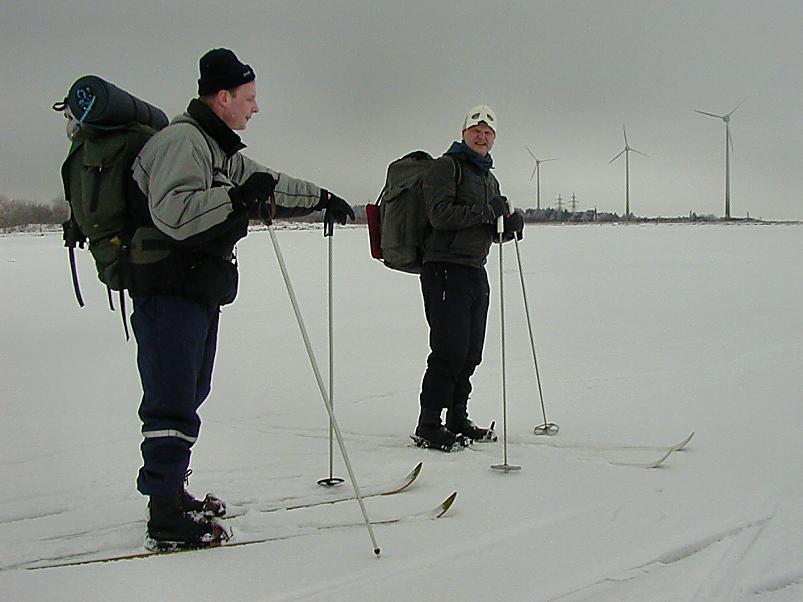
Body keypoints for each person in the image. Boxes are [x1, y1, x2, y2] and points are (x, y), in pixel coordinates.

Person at [130, 48, 355, 549]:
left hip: (196, 291)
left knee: (190, 394)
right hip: (168, 293)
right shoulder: (183, 142)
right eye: (250, 99)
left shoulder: (218, 149)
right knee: (171, 401)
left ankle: (174, 489)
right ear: (224, 96)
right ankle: (163, 514)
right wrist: (237, 196)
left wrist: (320, 198)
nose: (255, 108)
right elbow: (175, 213)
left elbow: (267, 184)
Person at [414, 104, 524, 451]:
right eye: (476, 130)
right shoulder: (446, 168)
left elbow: (489, 228)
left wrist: (508, 227)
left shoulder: (489, 179)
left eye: (488, 132)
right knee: (448, 349)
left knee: (470, 351)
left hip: (475, 269)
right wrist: (484, 213)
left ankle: (457, 418)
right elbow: (439, 214)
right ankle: (429, 423)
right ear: (463, 133)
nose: (482, 136)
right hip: (444, 268)